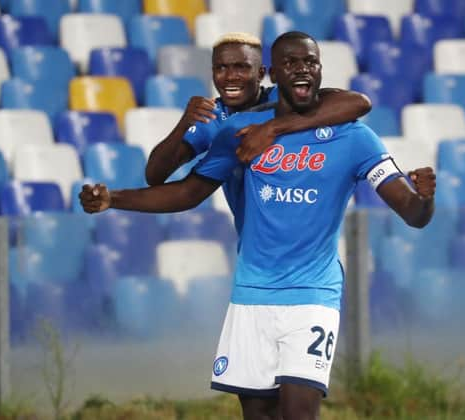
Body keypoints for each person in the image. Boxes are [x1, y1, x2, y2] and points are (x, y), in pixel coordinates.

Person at [80, 31, 436, 420]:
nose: (301, 69)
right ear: (275, 74)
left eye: (310, 63)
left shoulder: (353, 136)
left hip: (312, 295)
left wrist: (425, 199)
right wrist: (114, 198)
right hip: (252, 293)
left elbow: (412, 210)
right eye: (291, 63)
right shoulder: (237, 130)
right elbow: (184, 191)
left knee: (299, 413)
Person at [145, 32, 371, 187]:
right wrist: (183, 124)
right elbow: (155, 176)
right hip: (254, 238)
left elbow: (358, 103)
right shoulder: (212, 117)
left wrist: (273, 127)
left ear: (261, 73)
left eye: (241, 67)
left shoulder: (285, 96)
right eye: (221, 68)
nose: (231, 77)